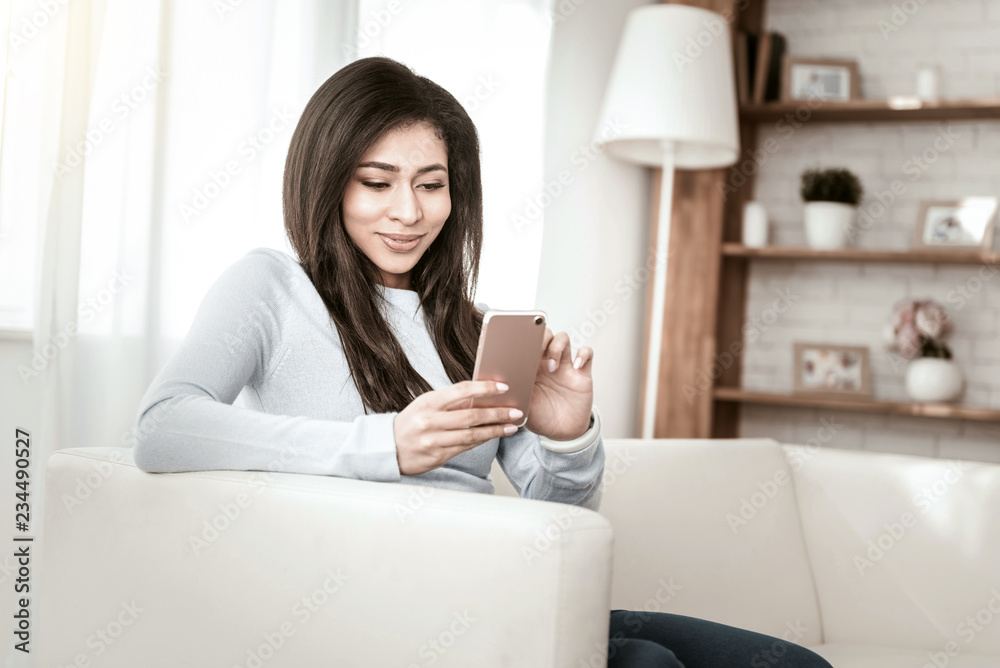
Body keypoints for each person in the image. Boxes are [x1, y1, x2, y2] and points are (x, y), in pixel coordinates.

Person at [133, 56, 832, 668]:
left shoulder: (474, 327)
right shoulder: (271, 288)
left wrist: (566, 433)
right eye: (377, 182)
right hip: (378, 608)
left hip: (501, 588)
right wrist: (387, 444)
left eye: (431, 184)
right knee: (647, 663)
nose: (408, 211)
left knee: (791, 664)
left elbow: (559, 519)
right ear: (328, 182)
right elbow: (164, 427)